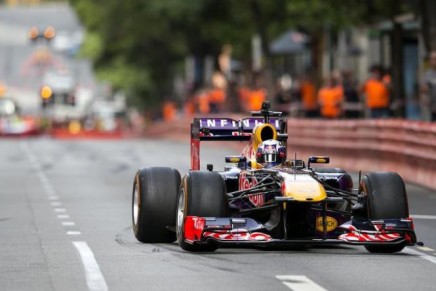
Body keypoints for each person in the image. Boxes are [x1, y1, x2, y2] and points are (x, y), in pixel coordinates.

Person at [420, 51, 436, 121]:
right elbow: (423, 89)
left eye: (435, 59)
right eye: (431, 59)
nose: (433, 61)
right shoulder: (428, 74)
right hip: (433, 110)